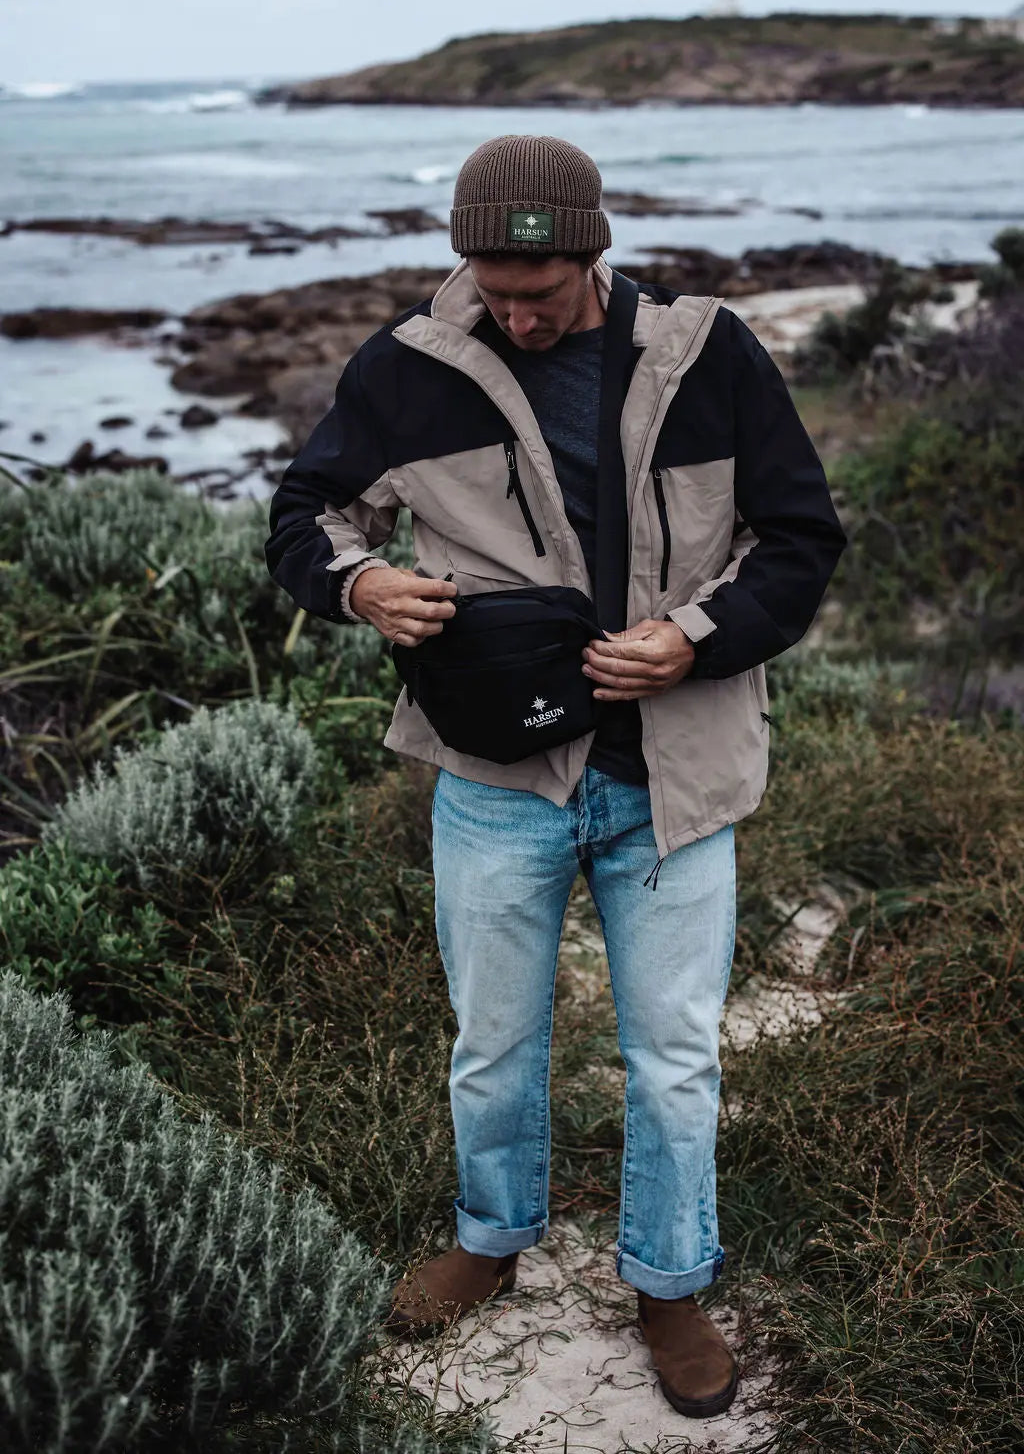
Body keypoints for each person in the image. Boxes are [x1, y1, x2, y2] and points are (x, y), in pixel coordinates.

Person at [265, 133, 846, 1420]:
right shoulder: (409, 366)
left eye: (541, 293)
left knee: (674, 1054)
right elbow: (306, 513)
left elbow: (800, 539)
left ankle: (669, 1282)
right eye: (495, 290)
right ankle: (489, 1237)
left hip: (676, 778)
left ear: (595, 252)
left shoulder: (708, 355)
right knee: (493, 1042)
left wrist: (694, 636)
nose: (518, 317)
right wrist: (361, 584)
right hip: (495, 771)